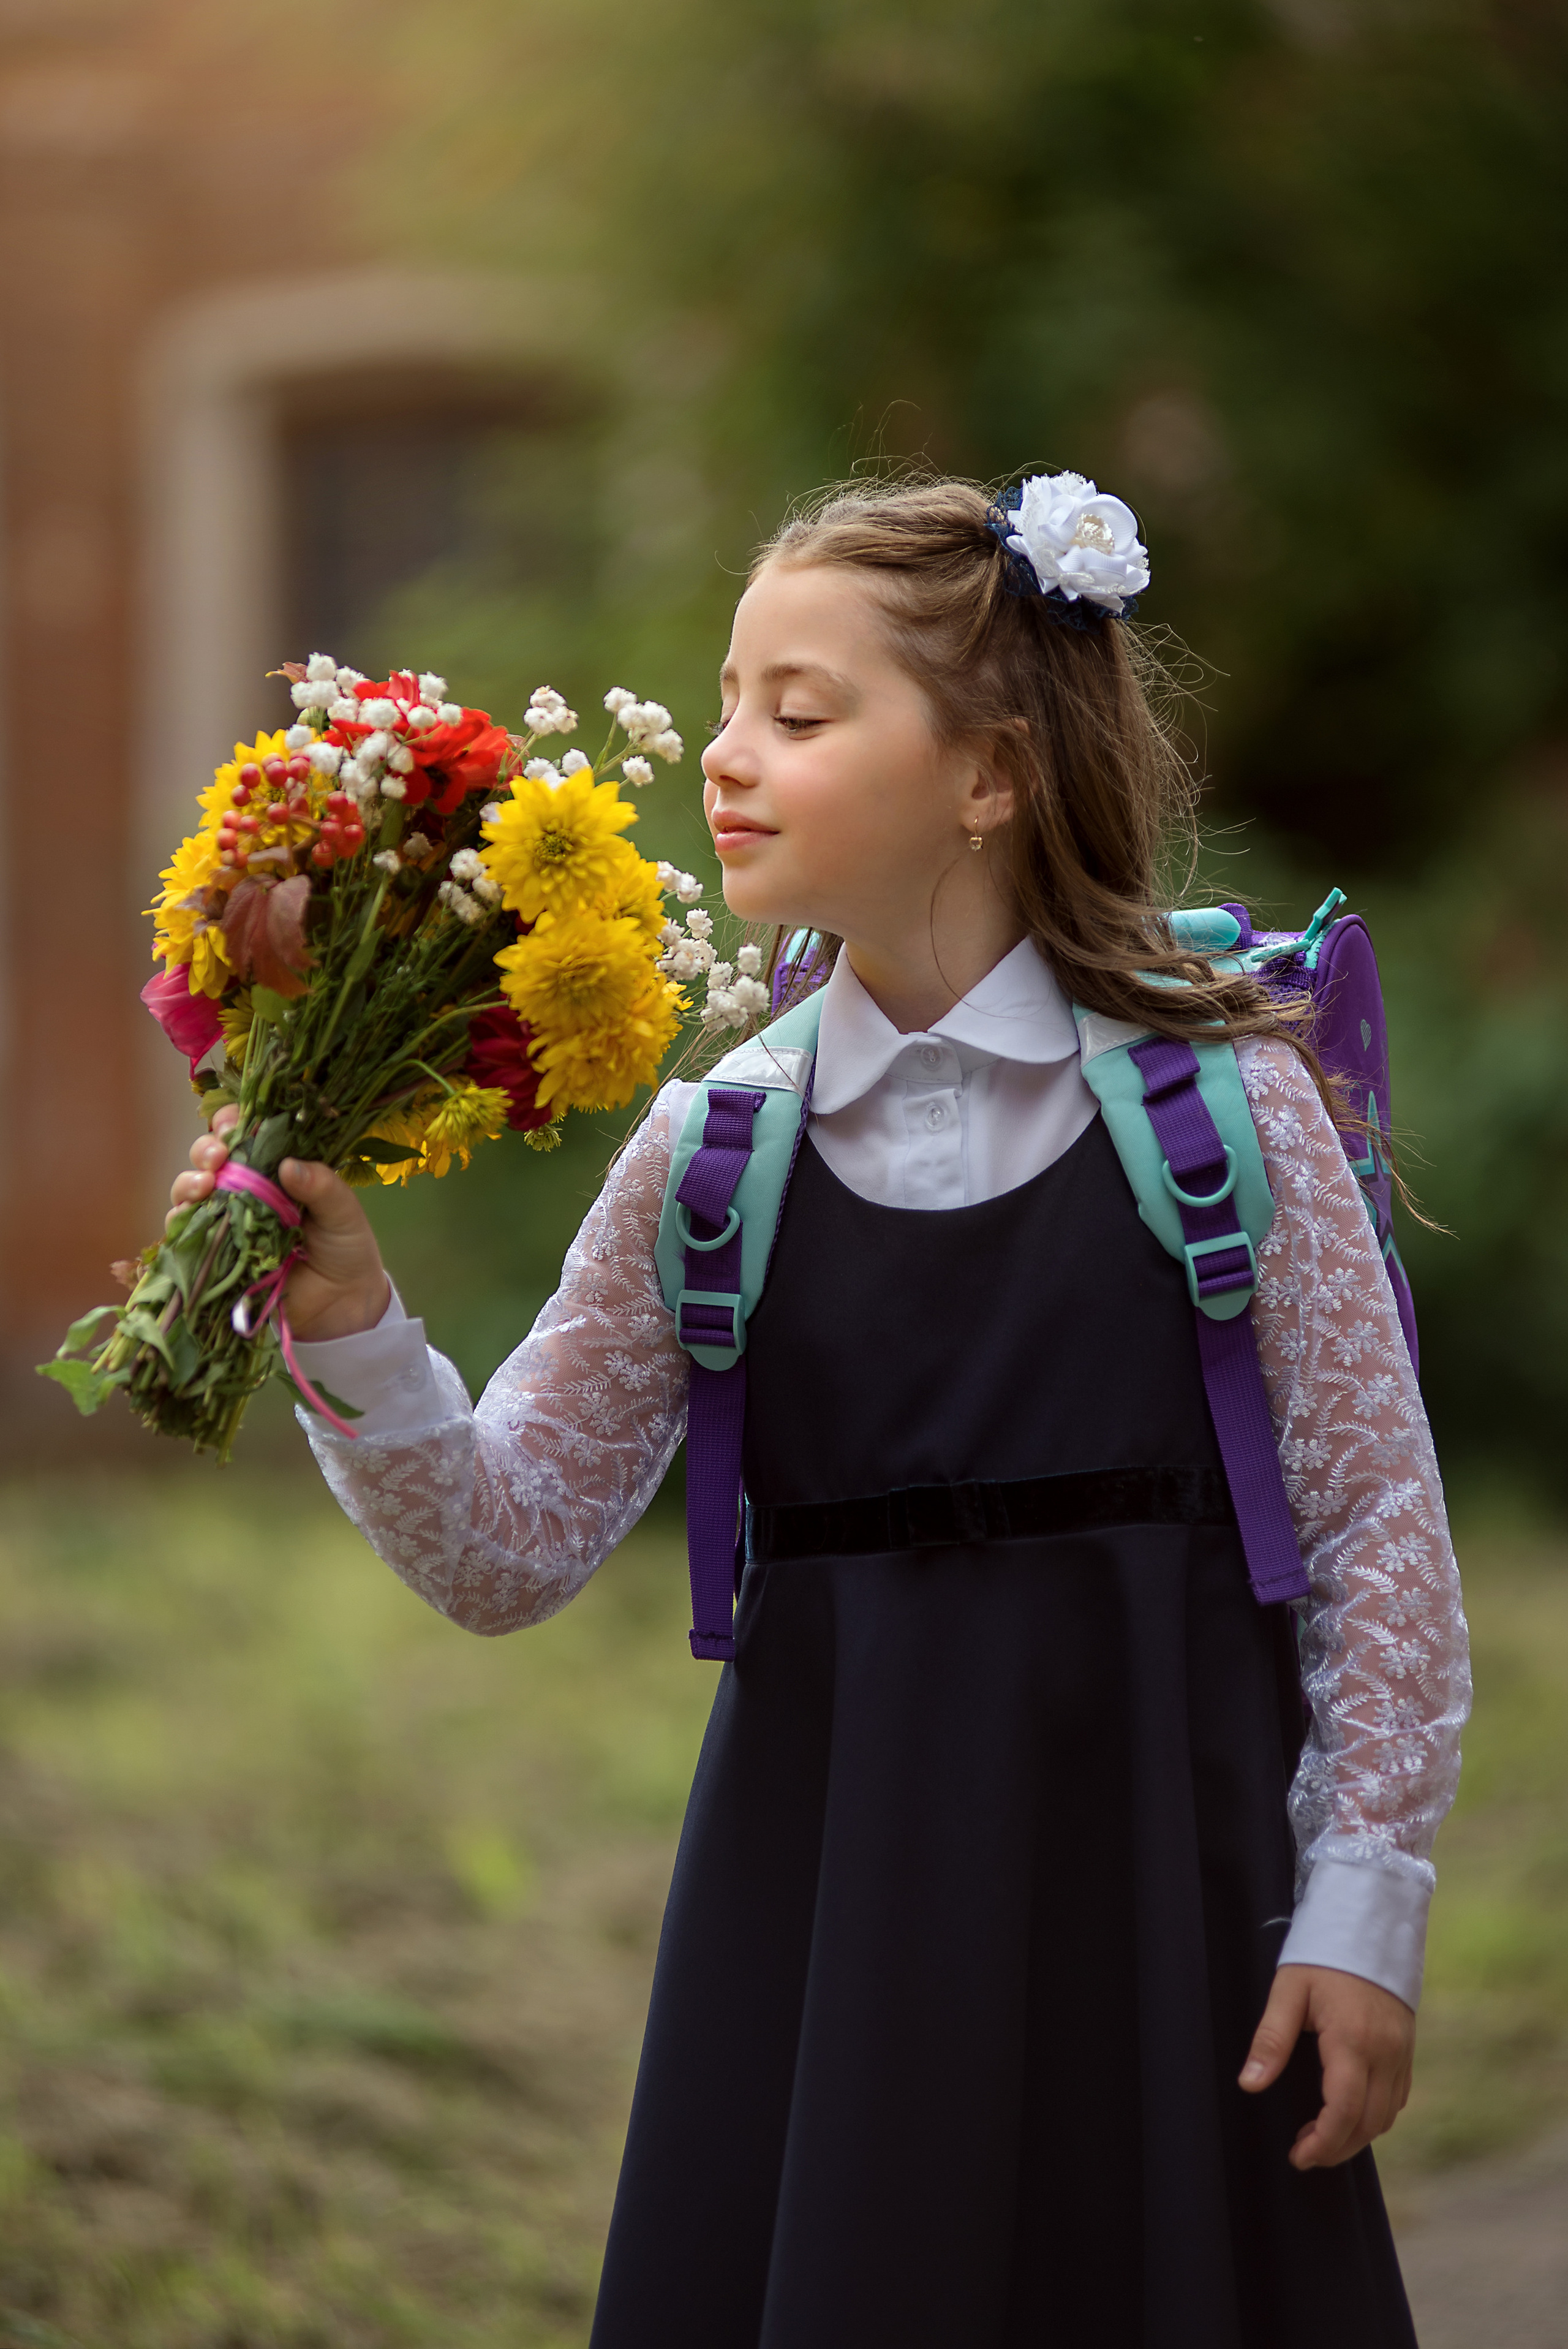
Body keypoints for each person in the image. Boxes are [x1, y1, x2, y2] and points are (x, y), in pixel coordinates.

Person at [170, 476, 1468, 2348]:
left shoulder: (1224, 1117)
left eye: (800, 710)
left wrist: (1366, 1902)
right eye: (725, 702)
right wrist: (362, 1329)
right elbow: (509, 1540)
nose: (725, 755)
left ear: (990, 775)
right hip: (825, 1938)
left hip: (1171, 1910)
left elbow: (1376, 1528)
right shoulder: (719, 1147)